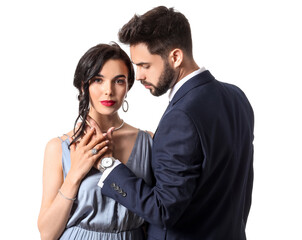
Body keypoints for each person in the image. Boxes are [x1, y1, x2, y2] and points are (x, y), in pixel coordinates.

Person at [96, 6, 254, 240]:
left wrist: (109, 166)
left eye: (145, 66)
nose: (137, 76)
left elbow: (163, 210)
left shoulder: (181, 117)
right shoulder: (237, 97)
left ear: (176, 57)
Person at [37, 43, 153, 240]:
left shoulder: (149, 142)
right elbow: (47, 234)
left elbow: (158, 212)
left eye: (118, 81)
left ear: (128, 86)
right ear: (83, 86)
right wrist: (75, 174)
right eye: (98, 80)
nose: (108, 90)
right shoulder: (58, 148)